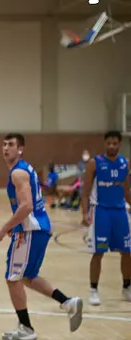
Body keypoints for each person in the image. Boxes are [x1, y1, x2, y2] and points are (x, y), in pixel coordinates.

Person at [0, 133, 83, 340]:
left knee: (12, 278)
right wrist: (13, 226)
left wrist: (4, 228)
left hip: (29, 231)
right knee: (28, 277)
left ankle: (26, 329)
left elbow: (26, 206)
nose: (6, 148)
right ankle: (67, 302)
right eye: (4, 144)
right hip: (36, 228)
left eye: (11, 145)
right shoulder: (25, 169)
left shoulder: (18, 173)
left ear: (21, 149)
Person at [80, 130, 131, 306]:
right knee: (98, 252)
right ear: (105, 144)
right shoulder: (95, 163)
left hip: (120, 212)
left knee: (127, 251)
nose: (111, 146)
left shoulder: (125, 163)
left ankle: (126, 287)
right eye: (108, 143)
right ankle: (93, 290)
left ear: (119, 145)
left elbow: (126, 191)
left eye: (114, 143)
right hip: (101, 211)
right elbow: (85, 192)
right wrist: (85, 214)